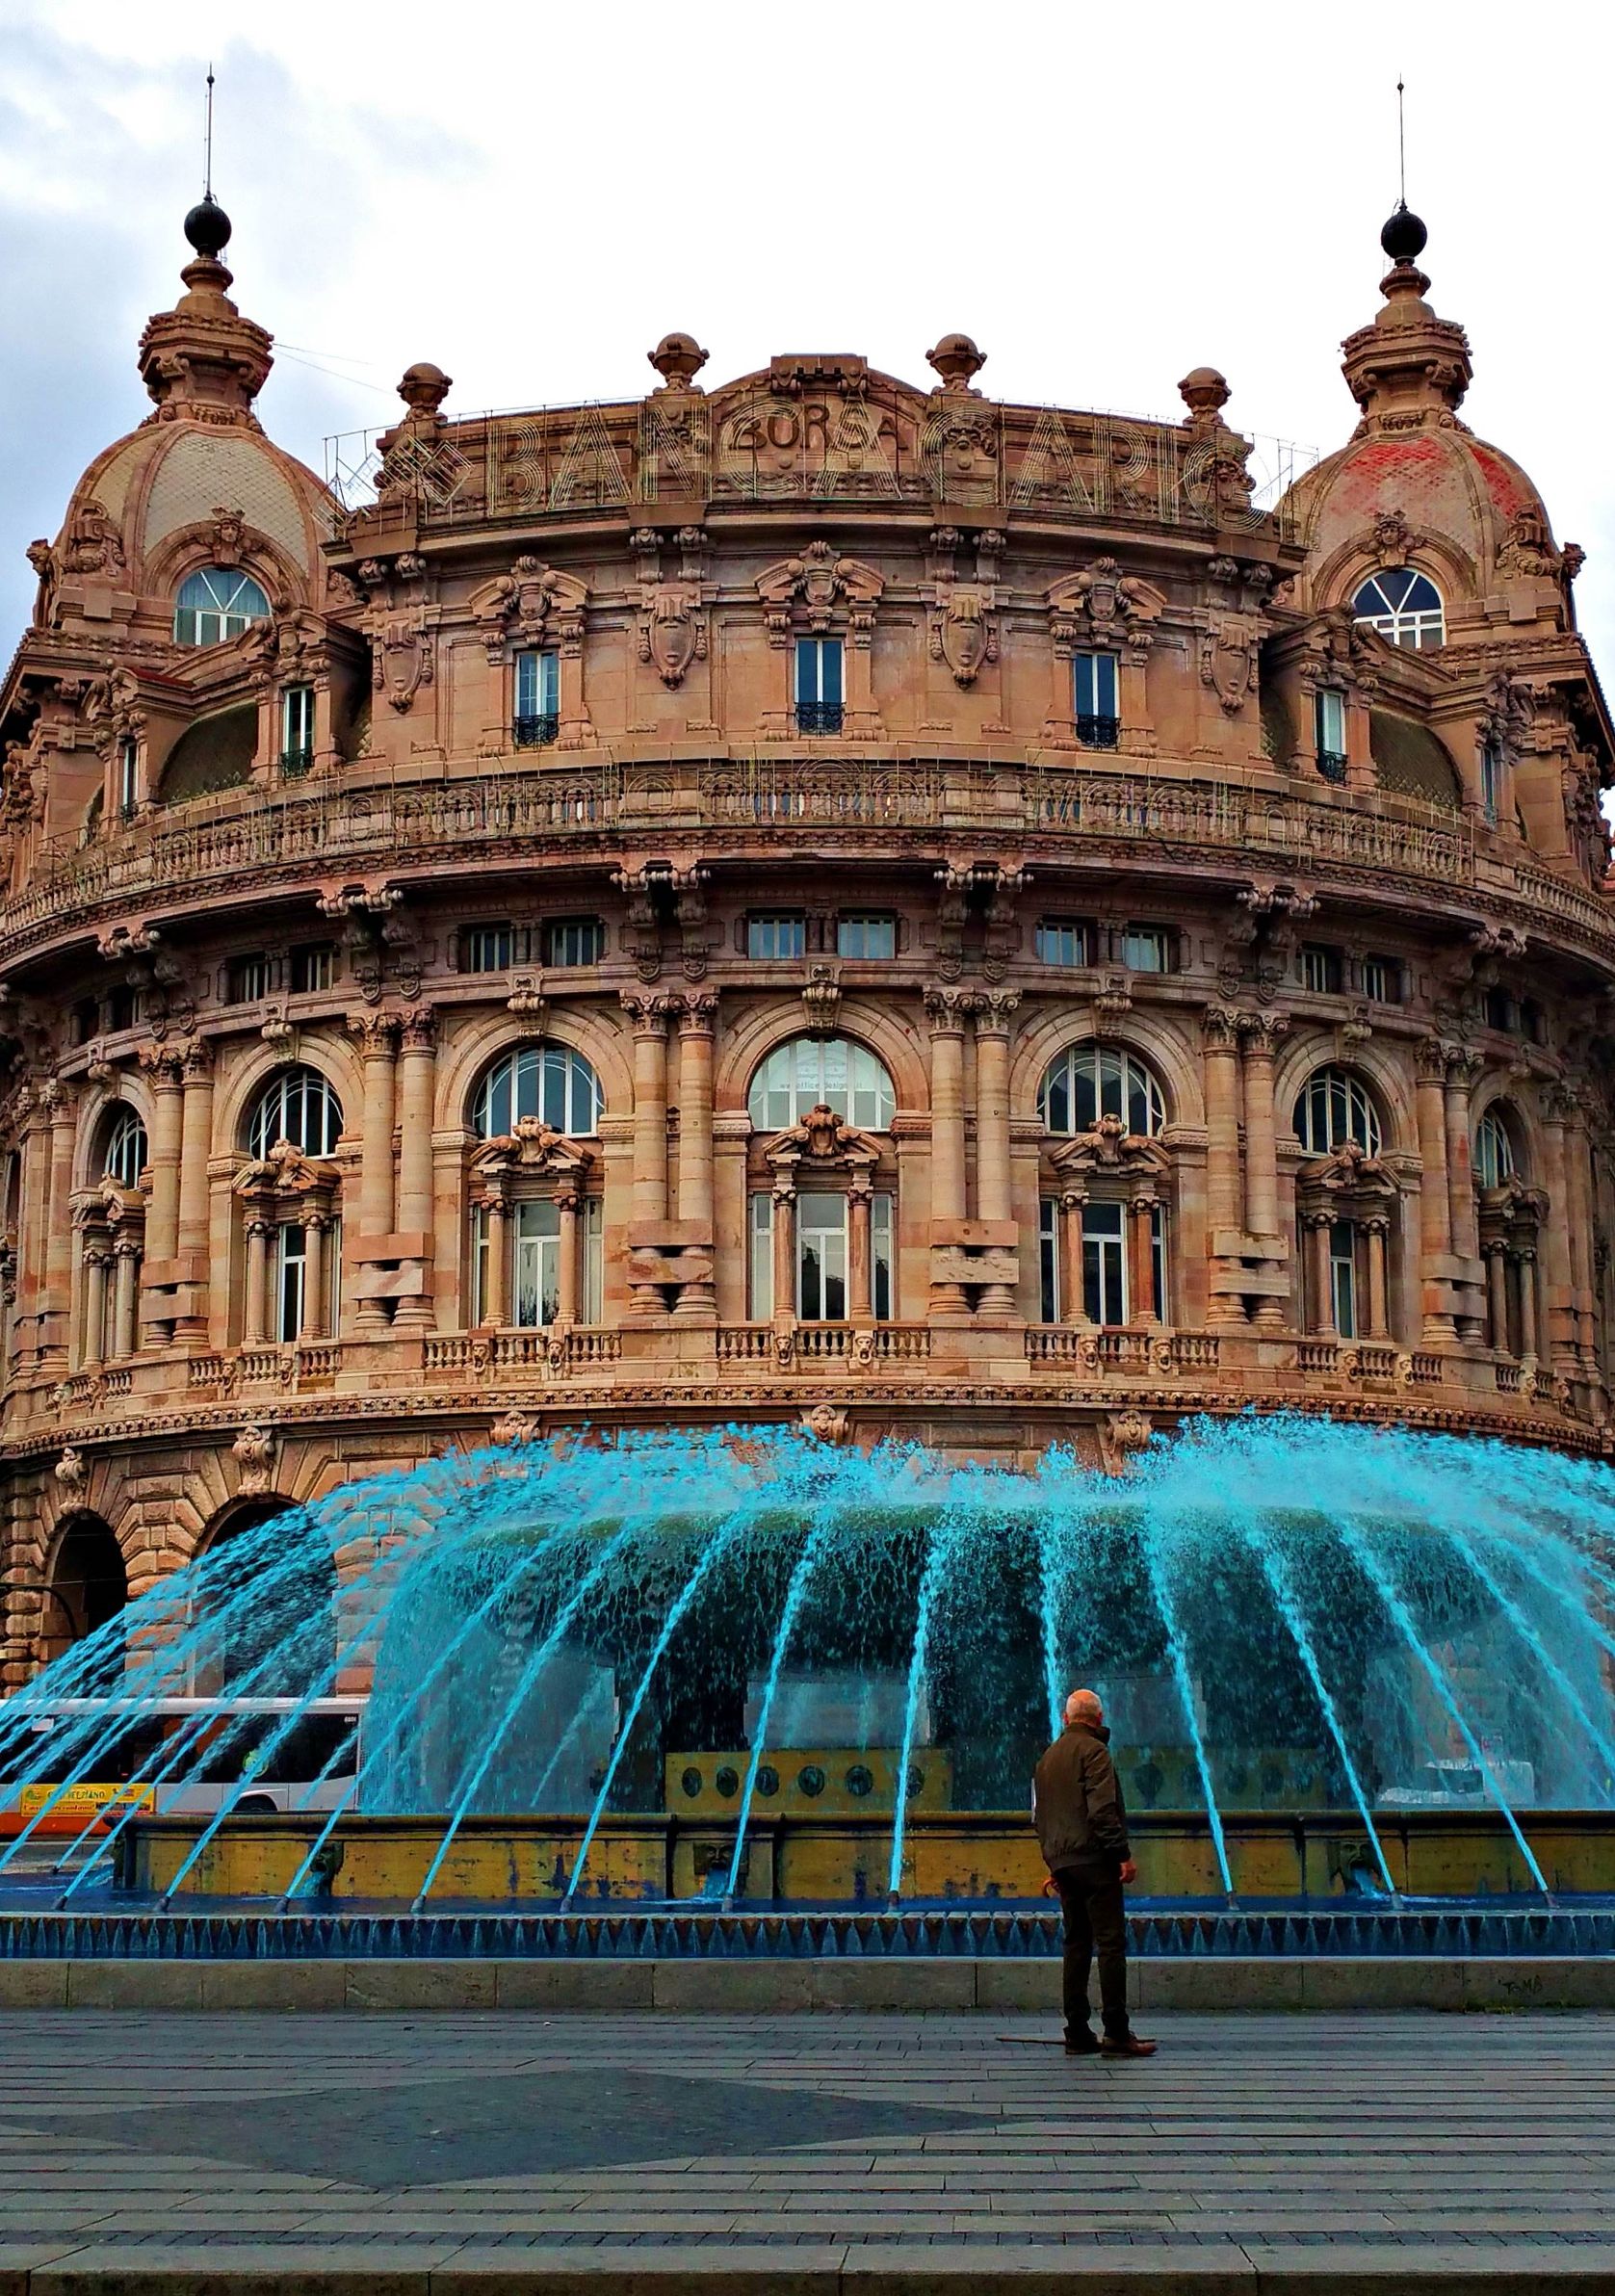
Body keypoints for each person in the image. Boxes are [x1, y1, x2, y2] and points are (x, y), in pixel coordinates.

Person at [1032, 1687, 1157, 2057]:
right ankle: (1116, 2032)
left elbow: (1039, 1818)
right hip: (1096, 1861)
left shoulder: (1046, 1758)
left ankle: (1077, 2031)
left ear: (1065, 1718)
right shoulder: (1095, 1751)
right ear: (1100, 1719)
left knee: (1076, 1944)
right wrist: (1122, 1855)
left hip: (1063, 1862)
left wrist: (1055, 1863)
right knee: (1110, 1943)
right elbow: (1102, 1811)